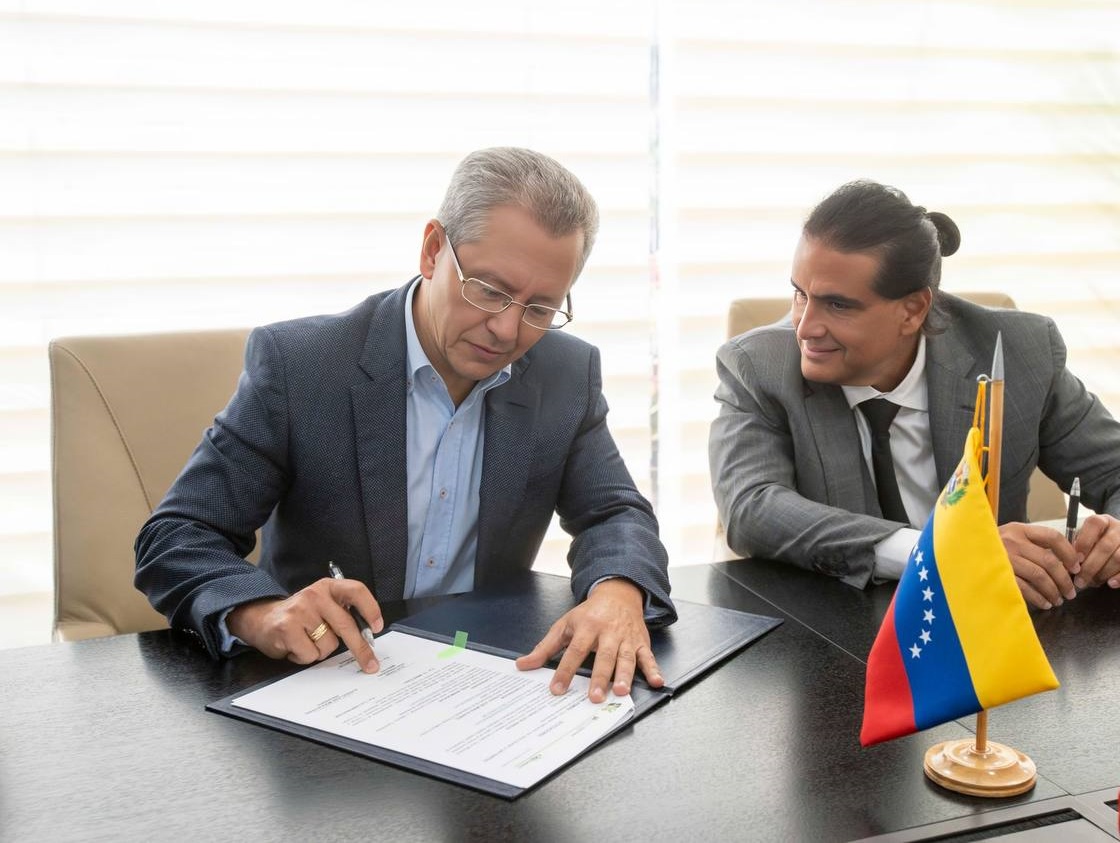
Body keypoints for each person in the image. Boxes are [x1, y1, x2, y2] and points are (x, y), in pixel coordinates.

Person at [136, 147, 675, 703]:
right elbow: (178, 535)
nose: (508, 330)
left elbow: (613, 512)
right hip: (322, 679)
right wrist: (259, 613)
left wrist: (618, 590)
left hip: (480, 676)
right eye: (490, 290)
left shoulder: (564, 372)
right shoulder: (301, 366)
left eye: (540, 308)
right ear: (433, 250)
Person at [709, 179, 1120, 610]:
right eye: (800, 294)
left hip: (992, 624)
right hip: (832, 621)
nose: (805, 326)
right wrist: (942, 553)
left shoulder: (1020, 353)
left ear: (913, 310)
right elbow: (751, 508)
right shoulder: (760, 366)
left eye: (838, 305)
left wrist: (1112, 540)